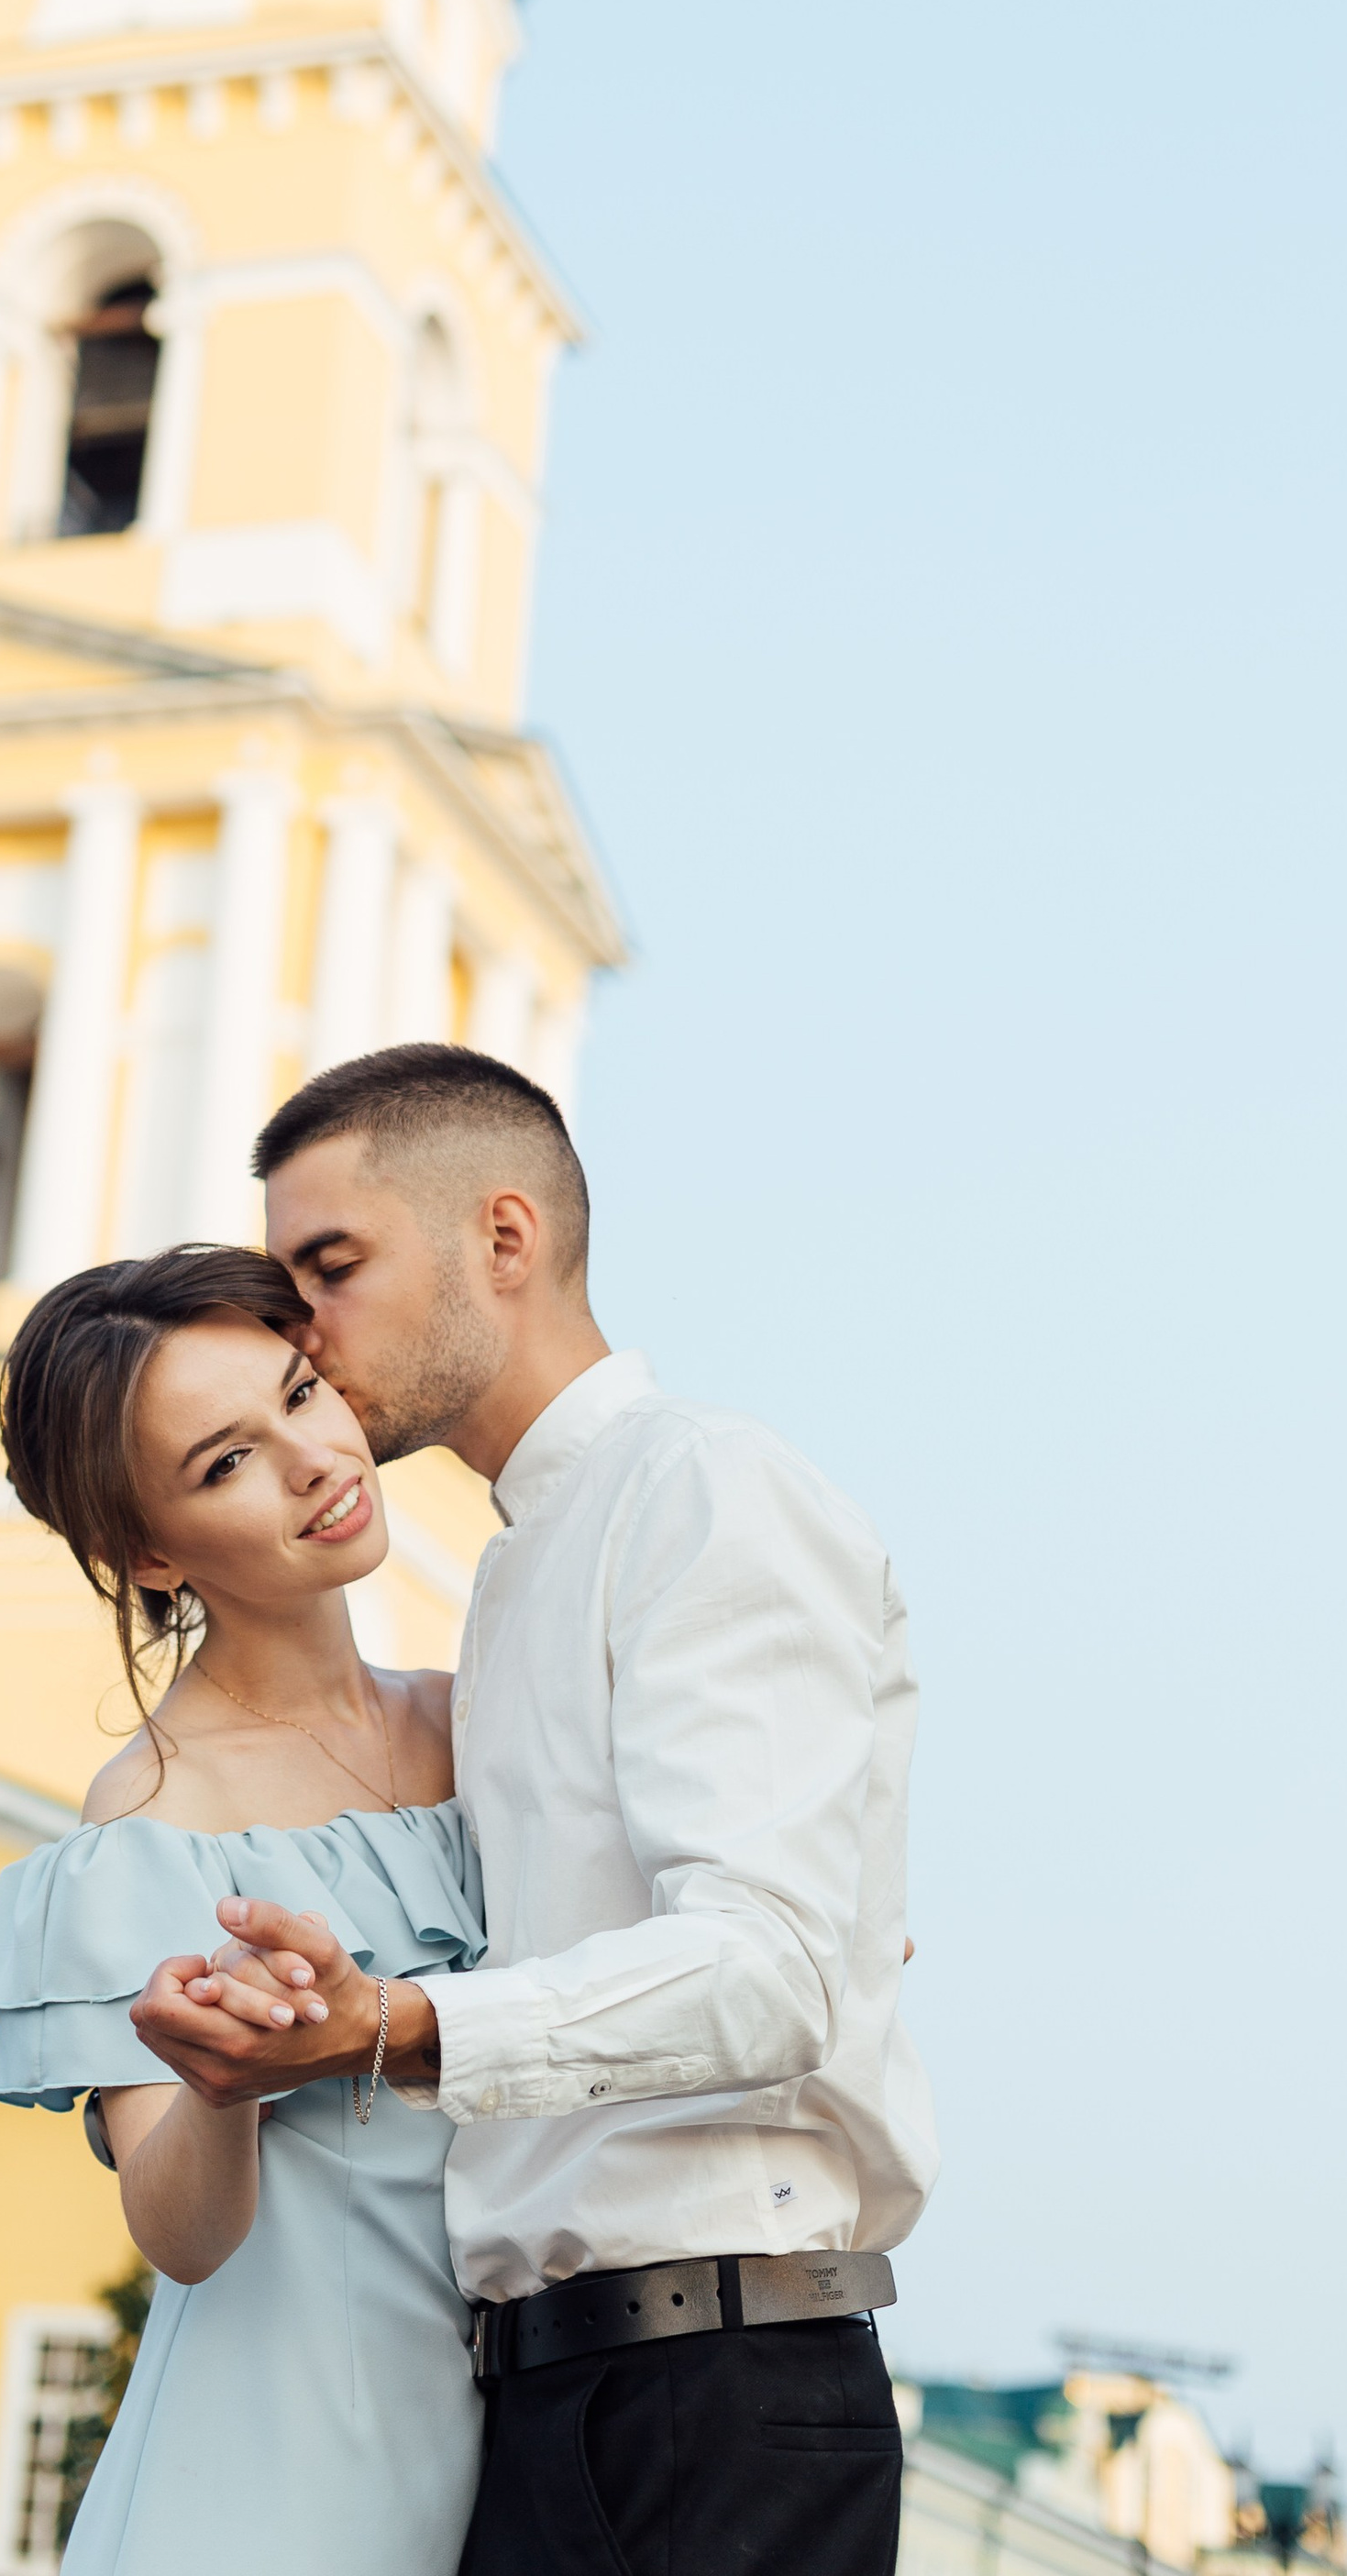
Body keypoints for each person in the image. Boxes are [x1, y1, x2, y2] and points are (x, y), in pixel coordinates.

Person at [128, 1042, 938, 2576]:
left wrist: (390, 2026)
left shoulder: (707, 1486)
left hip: (718, 2387)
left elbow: (766, 1970)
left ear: (504, 1239)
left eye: (334, 1265)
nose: (303, 1327)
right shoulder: (509, 1582)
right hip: (548, 2396)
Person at [0, 1243, 489, 2576]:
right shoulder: (152, 1820)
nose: (314, 1459)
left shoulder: (485, 1723)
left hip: (525, 2445)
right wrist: (222, 2077)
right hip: (275, 2484)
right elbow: (179, 2236)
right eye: (226, 1462)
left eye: (303, 1394)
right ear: (144, 1550)